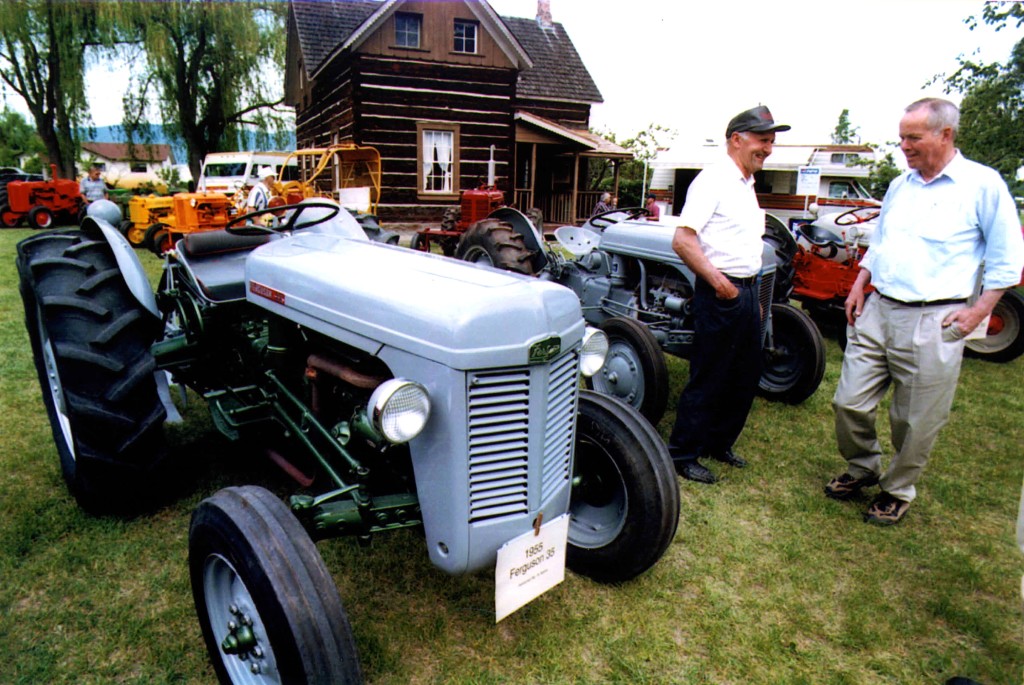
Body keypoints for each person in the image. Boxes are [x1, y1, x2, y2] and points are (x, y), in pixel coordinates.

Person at [825, 98, 1024, 525]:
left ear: (945, 135)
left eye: (912, 138)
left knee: (915, 420)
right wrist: (861, 283)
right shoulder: (901, 185)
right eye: (901, 138)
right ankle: (863, 468)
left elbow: (1008, 259)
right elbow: (880, 241)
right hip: (879, 308)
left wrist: (978, 312)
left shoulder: (982, 186)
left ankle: (897, 489)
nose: (903, 147)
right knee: (849, 402)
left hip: (936, 318)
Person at [667, 105, 790, 484]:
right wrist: (721, 285)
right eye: (762, 140)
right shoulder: (714, 180)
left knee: (744, 374)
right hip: (723, 292)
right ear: (736, 139)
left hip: (749, 290)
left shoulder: (745, 183)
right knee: (710, 374)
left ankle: (718, 443)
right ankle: (683, 454)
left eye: (771, 142)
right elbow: (683, 241)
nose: (768, 149)